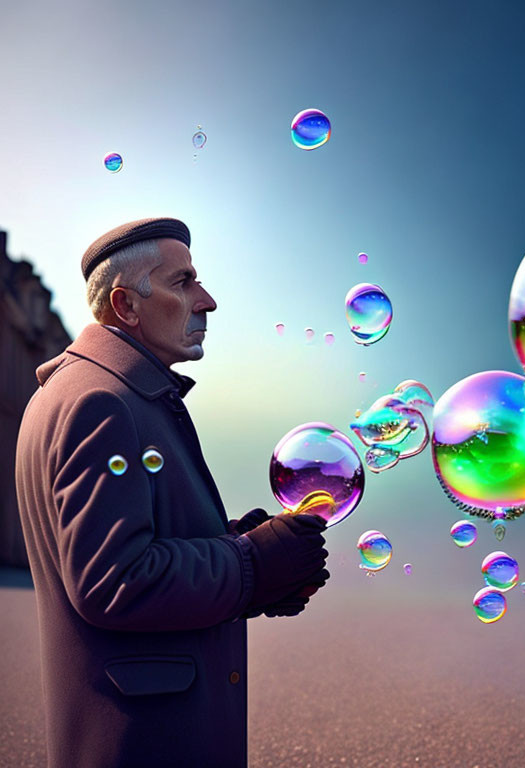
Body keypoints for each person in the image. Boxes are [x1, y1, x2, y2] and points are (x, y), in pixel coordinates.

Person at [14, 218, 329, 768]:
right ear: (126, 306)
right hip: (147, 739)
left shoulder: (90, 391)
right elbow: (113, 579)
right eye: (182, 281)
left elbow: (126, 540)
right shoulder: (102, 403)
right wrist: (251, 564)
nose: (206, 301)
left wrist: (234, 541)